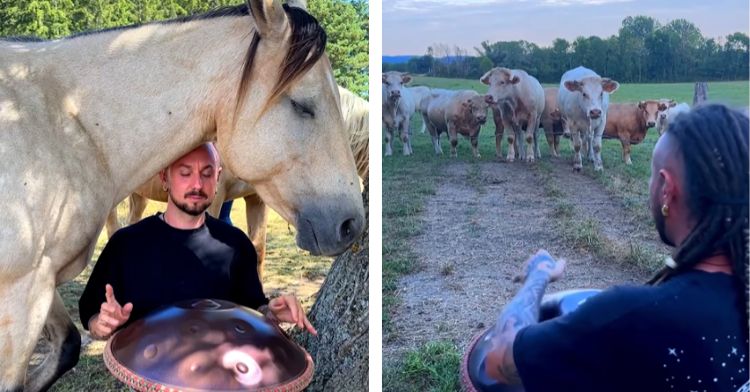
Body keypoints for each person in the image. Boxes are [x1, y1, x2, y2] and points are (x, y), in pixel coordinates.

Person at [482, 104, 749, 391]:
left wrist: (538, 275)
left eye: (651, 177)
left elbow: (498, 361)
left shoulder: (629, 314)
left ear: (667, 190)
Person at [79, 143, 316, 340]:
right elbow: (90, 312)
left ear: (218, 178)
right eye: (185, 173)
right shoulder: (126, 244)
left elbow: (253, 307)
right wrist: (100, 324)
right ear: (164, 178)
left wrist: (271, 313)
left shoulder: (236, 245)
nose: (197, 185)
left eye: (206, 173)